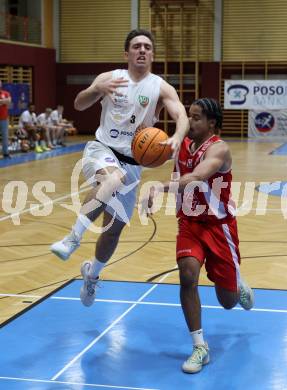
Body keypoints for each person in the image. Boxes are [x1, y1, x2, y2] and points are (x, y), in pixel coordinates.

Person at [50, 29, 189, 307]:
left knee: (113, 230)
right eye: (136, 46)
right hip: (102, 150)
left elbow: (181, 114)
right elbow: (78, 104)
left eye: (147, 47)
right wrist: (95, 89)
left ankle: (92, 275)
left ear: (152, 54)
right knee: (111, 179)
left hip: (134, 163)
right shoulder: (109, 79)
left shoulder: (160, 87)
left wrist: (176, 136)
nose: (142, 50)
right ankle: (72, 238)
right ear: (126, 53)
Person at [142, 98, 254, 374]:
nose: (189, 122)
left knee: (227, 302)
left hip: (219, 227)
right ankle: (199, 346)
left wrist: (160, 187)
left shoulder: (219, 149)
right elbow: (152, 148)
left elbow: (197, 176)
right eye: (189, 116)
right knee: (188, 275)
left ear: (211, 123)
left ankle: (237, 284)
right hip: (190, 224)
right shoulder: (181, 143)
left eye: (196, 118)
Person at [0, 80, 12, 159]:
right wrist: (4, 101)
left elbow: (9, 101)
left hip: (4, 118)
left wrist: (2, 101)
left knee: (5, 136)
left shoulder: (6, 93)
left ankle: (6, 153)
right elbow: (6, 101)